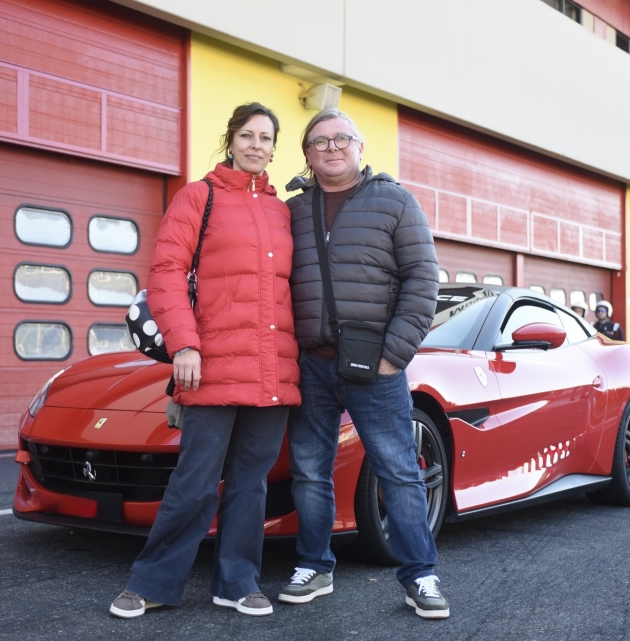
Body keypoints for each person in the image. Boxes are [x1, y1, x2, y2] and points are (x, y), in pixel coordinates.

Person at [109, 103, 300, 619]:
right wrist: (184, 345)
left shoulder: (282, 211)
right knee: (193, 481)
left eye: (266, 137)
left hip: (271, 370)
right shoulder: (200, 197)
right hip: (211, 365)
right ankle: (152, 582)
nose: (256, 145)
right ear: (230, 139)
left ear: (274, 148)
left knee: (250, 484)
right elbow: (167, 271)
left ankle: (237, 583)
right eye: (247, 135)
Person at [279, 109, 448, 619]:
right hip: (310, 364)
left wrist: (394, 355)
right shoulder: (291, 210)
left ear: (360, 147)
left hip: (375, 366)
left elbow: (424, 279)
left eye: (341, 139)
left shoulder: (395, 201)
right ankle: (316, 565)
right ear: (307, 154)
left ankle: (421, 575)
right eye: (319, 142)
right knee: (309, 471)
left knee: (398, 471)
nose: (331, 148)